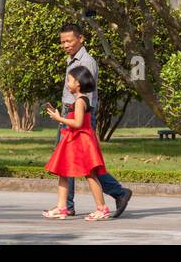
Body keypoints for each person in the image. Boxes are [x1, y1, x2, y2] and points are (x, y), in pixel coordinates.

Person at [55, 20, 133, 217]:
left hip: (78, 116)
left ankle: (118, 193)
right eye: (62, 42)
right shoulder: (72, 58)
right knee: (68, 161)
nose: (65, 45)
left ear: (81, 39)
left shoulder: (85, 61)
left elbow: (85, 95)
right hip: (70, 112)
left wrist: (74, 117)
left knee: (88, 164)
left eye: (69, 41)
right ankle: (67, 205)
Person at [42, 67, 110, 221]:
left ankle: (102, 208)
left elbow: (78, 123)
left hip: (81, 141)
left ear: (78, 83)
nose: (67, 83)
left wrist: (59, 119)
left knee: (90, 174)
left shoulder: (80, 101)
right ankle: (62, 207)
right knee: (63, 172)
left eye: (70, 80)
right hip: (75, 140)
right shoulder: (80, 99)